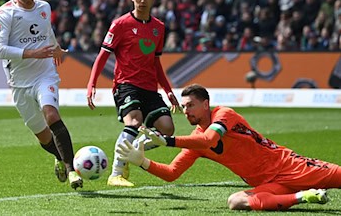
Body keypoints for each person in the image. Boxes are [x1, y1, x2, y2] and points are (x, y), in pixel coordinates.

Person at [117, 84, 341, 210]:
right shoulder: (195, 139)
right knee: (236, 201)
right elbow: (172, 173)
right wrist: (142, 162)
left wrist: (168, 141)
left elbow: (209, 141)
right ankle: (304, 196)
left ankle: (303, 191)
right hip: (268, 184)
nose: (186, 112)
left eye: (191, 106)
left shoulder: (224, 114)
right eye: (183, 107)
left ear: (206, 104)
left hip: (289, 166)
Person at [0, 0, 82, 190]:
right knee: (43, 136)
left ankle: (72, 171)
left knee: (51, 115)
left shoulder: (44, 6)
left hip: (45, 73)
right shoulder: (4, 14)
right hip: (20, 82)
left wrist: (56, 47)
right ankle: (60, 157)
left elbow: (46, 31)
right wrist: (32, 53)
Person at [86, 0, 181, 187]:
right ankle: (116, 173)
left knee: (167, 128)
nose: (143, 0)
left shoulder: (159, 27)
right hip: (125, 84)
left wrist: (168, 90)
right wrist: (92, 83)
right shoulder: (120, 24)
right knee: (134, 121)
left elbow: (156, 63)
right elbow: (102, 56)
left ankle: (133, 148)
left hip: (149, 87)